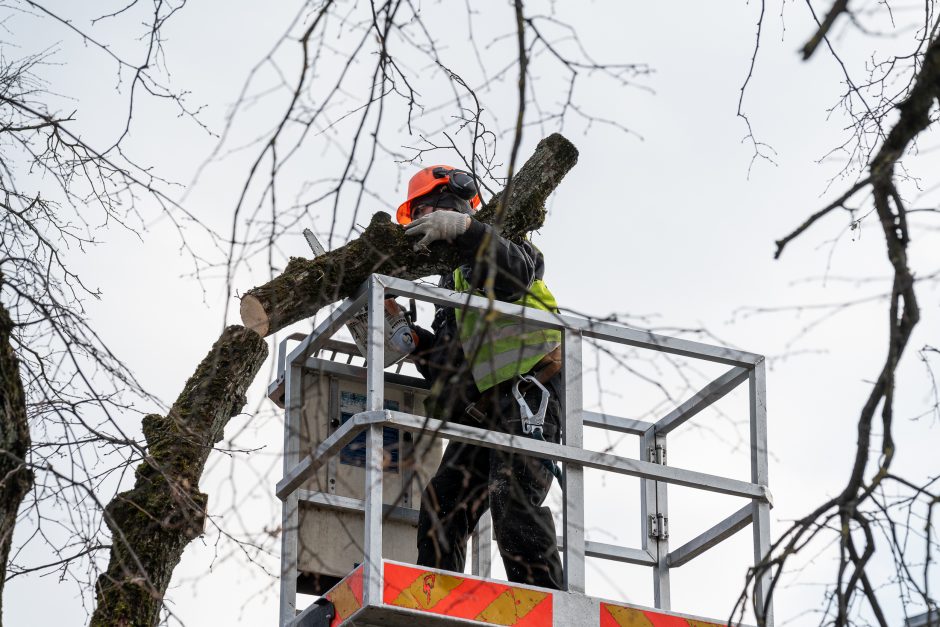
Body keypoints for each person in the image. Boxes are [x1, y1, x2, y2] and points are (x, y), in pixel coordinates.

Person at [397, 165, 565, 590]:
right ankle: (440, 601)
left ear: (454, 203)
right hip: (484, 411)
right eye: (417, 212)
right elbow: (454, 368)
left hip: (531, 395)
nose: (422, 219)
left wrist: (468, 231)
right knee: (443, 501)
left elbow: (516, 273)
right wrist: (411, 338)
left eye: (427, 208)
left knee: (513, 501)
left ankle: (544, 606)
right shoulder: (449, 286)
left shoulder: (509, 247)